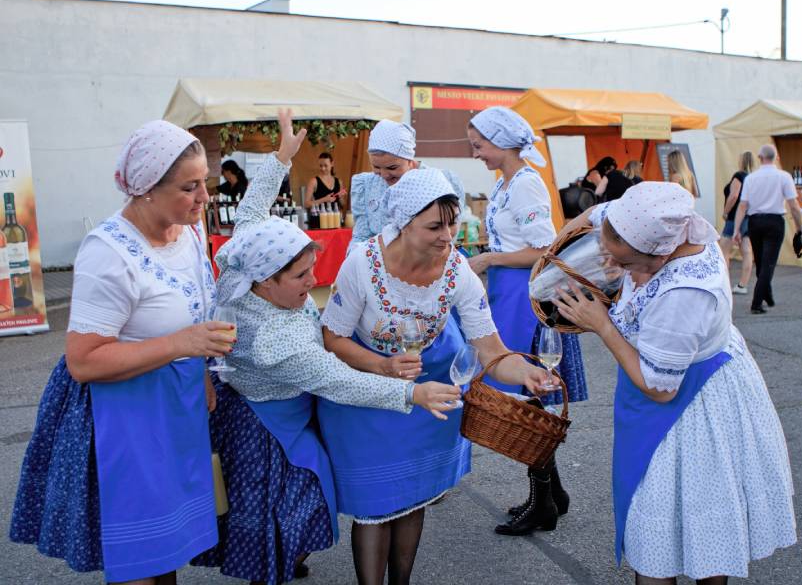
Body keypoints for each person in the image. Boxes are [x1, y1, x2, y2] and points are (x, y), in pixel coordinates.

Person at [192, 110, 459, 585]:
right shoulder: (276, 340)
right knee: (275, 513)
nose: (314, 282)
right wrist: (412, 393)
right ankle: (271, 570)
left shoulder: (245, 260)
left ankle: (286, 560)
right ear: (265, 280)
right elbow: (338, 381)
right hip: (268, 425)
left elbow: (251, 212)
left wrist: (281, 158)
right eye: (301, 276)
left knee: (293, 509)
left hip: (280, 404)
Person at [10, 120, 234, 584]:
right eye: (189, 187)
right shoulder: (108, 252)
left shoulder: (188, 231)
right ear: (147, 189)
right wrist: (182, 344)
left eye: (205, 183)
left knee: (168, 544)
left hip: (178, 405)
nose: (204, 197)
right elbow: (83, 360)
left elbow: (194, 313)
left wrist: (203, 374)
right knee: (139, 553)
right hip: (128, 413)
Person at [319, 168, 554, 584]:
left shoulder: (458, 270)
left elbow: (492, 351)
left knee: (413, 499)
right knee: (374, 507)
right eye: (434, 227)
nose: (447, 236)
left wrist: (528, 373)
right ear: (404, 223)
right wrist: (382, 366)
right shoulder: (362, 264)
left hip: (426, 395)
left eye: (452, 223)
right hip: (366, 393)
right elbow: (332, 337)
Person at [553, 183, 796, 584]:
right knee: (663, 522)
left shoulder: (685, 292)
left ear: (660, 254)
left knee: (694, 519)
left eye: (627, 264)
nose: (618, 268)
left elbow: (660, 388)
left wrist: (602, 325)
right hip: (662, 383)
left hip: (694, 404)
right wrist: (557, 253)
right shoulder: (648, 220)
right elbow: (595, 215)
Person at [465, 106, 588, 534]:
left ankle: (544, 502)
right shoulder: (507, 183)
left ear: (501, 142)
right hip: (510, 290)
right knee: (526, 396)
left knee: (530, 400)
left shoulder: (525, 184)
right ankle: (552, 494)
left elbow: (542, 249)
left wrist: (489, 258)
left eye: (479, 145)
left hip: (526, 295)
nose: (476, 153)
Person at [349, 120, 464, 248]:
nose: (384, 175)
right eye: (376, 167)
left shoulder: (441, 182)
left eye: (392, 167)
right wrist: (356, 257)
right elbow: (361, 236)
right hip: (378, 259)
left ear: (410, 160)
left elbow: (448, 237)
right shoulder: (365, 186)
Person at [732, 144, 802, 314]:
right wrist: (801, 227)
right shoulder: (784, 176)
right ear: (776, 158)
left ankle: (768, 295)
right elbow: (794, 206)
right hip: (775, 222)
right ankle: (757, 303)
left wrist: (736, 229)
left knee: (761, 262)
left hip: (754, 222)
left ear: (760, 157)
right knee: (768, 263)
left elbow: (742, 206)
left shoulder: (751, 178)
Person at [719, 151, 755, 294]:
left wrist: (725, 212)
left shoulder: (739, 175)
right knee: (746, 250)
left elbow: (734, 196)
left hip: (734, 217)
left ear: (741, 161)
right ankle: (742, 285)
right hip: (748, 217)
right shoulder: (752, 178)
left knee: (723, 251)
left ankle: (724, 285)